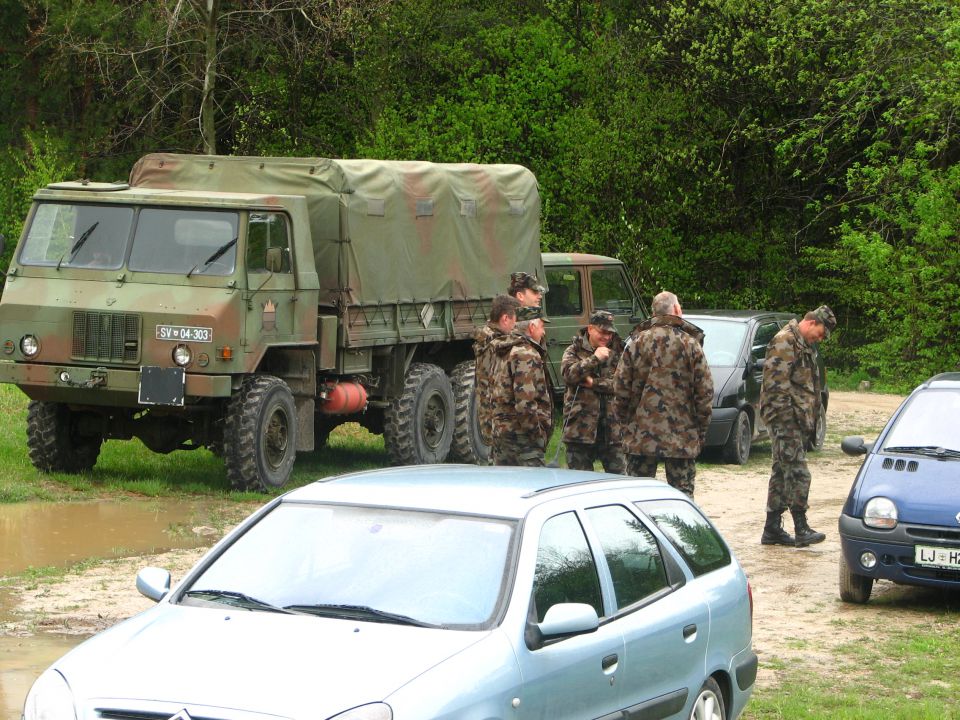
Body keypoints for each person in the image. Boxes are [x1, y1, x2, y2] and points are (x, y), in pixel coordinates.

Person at [613, 291, 713, 498]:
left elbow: (620, 389)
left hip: (640, 435)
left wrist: (626, 425)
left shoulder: (636, 342)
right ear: (676, 310)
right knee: (682, 498)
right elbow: (704, 393)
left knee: (638, 499)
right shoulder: (691, 344)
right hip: (681, 436)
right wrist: (700, 431)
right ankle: (682, 532)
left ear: (653, 312)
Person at [759, 305, 836, 547]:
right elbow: (775, 387)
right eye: (821, 333)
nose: (820, 339)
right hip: (784, 419)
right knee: (799, 473)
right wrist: (785, 422)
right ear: (812, 322)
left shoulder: (802, 344)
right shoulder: (785, 341)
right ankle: (801, 528)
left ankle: (772, 529)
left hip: (794, 419)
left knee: (782, 473)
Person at [560, 310, 626, 473]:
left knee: (620, 480)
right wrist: (594, 359)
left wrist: (594, 383)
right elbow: (569, 375)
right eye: (602, 332)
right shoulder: (573, 351)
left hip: (612, 431)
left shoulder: (618, 352)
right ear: (590, 329)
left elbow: (623, 385)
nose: (606, 337)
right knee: (580, 483)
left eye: (610, 333)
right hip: (580, 431)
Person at [490, 305, 553, 466]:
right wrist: (537, 435)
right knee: (534, 487)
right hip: (522, 441)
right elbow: (525, 403)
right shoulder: (526, 354)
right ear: (532, 327)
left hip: (501, 436)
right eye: (542, 326)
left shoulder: (502, 350)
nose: (544, 332)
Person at [473, 295, 521, 448]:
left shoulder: (488, 335)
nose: (516, 326)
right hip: (495, 417)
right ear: (505, 318)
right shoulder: (495, 342)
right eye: (515, 321)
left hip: (492, 416)